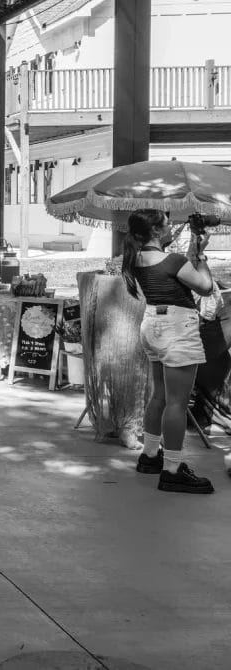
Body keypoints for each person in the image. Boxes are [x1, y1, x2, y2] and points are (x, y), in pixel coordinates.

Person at [122, 208, 216, 493]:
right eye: (167, 224)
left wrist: (192, 248)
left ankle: (150, 456)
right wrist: (200, 256)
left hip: (152, 324)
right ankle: (172, 470)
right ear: (155, 231)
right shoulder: (172, 260)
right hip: (177, 327)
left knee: (160, 395)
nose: (171, 227)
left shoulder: (136, 259)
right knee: (177, 402)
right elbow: (206, 287)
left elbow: (174, 271)